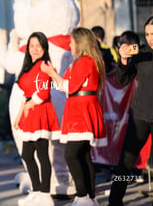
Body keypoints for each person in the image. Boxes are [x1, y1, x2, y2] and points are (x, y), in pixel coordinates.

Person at [108, 15, 153, 206]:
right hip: (140, 117)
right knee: (125, 163)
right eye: (147, 34)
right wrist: (123, 60)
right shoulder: (142, 54)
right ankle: (114, 201)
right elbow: (123, 79)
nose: (150, 38)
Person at [41, 27, 107, 206]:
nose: (70, 44)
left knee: (72, 154)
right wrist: (54, 74)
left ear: (80, 42)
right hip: (80, 109)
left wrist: (52, 74)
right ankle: (88, 197)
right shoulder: (85, 61)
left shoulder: (85, 61)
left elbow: (69, 87)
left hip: (81, 112)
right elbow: (66, 86)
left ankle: (84, 195)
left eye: (72, 41)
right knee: (84, 155)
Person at [13, 32, 60, 206]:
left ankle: (45, 195)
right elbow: (25, 96)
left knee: (42, 154)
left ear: (44, 48)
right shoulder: (28, 67)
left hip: (40, 112)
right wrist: (19, 115)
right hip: (29, 113)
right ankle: (37, 190)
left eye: (38, 46)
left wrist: (26, 107)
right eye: (31, 45)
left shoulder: (44, 65)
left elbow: (44, 92)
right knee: (27, 154)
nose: (35, 49)